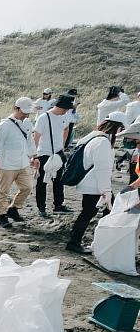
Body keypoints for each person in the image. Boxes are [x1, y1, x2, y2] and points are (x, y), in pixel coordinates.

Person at [67, 112, 127, 254]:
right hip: (95, 186)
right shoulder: (102, 142)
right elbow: (102, 169)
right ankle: (75, 242)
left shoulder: (95, 138)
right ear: (116, 127)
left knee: (99, 212)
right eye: (122, 128)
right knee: (89, 213)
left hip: (92, 184)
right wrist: (105, 190)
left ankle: (93, 241)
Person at [0, 97, 37, 229]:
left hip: (23, 162)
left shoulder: (28, 123)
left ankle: (14, 208)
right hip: (7, 164)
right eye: (24, 112)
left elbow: (30, 141)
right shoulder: (4, 125)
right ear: (15, 108)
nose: (26, 115)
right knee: (3, 191)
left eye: (28, 112)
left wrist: (35, 156)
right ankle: (1, 215)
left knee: (27, 187)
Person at [34, 94, 76, 217]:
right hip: (44, 154)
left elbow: (66, 129)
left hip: (58, 153)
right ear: (62, 107)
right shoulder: (44, 117)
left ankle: (58, 205)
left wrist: (62, 146)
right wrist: (34, 155)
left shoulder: (64, 117)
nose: (67, 111)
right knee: (42, 182)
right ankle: (41, 208)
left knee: (59, 181)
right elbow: (36, 136)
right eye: (67, 109)